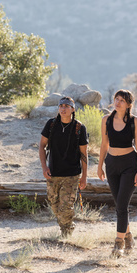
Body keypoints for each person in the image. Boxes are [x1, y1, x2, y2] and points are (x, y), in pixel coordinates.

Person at [97, 89, 137, 257]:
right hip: (111, 165)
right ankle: (128, 235)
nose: (118, 102)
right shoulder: (106, 120)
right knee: (119, 205)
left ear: (129, 104)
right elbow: (104, 145)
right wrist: (100, 165)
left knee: (122, 205)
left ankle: (119, 244)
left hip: (129, 165)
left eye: (122, 100)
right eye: (116, 99)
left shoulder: (134, 122)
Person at [39, 96, 88, 237]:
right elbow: (42, 146)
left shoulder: (79, 128)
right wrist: (44, 167)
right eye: (61, 106)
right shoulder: (51, 124)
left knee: (65, 206)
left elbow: (84, 154)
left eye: (66, 106)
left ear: (73, 109)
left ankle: (66, 233)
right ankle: (67, 226)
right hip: (53, 173)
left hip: (72, 174)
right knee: (54, 205)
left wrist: (84, 176)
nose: (63, 109)